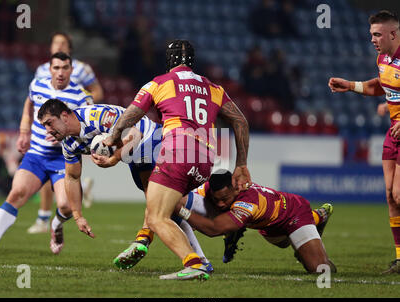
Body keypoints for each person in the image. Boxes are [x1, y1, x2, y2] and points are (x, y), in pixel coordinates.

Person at [104, 39, 251, 280]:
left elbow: (133, 112)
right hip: (205, 160)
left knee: (156, 215)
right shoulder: (214, 88)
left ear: (168, 61)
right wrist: (241, 163)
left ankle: (195, 263)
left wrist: (114, 135)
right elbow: (240, 121)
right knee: (170, 207)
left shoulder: (159, 83)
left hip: (178, 153)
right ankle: (216, 235)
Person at [37, 99, 214, 272]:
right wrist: (77, 216)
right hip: (134, 157)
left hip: (152, 140)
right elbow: (72, 177)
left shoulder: (96, 116)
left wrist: (113, 159)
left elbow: (135, 134)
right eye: (44, 125)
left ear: (65, 116)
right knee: (170, 208)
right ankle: (201, 257)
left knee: (163, 203)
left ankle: (146, 238)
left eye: (50, 123)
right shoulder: (68, 144)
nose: (48, 130)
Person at [0, 52, 93, 256]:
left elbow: (87, 129)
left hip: (63, 158)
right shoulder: (37, 85)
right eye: (56, 68)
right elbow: (29, 104)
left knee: (66, 205)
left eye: (65, 68)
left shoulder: (82, 97)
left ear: (72, 70)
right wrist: (23, 130)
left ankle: (56, 225)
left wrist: (64, 136)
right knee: (16, 192)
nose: (61, 72)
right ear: (50, 69)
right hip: (36, 154)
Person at [328, 10, 400, 274]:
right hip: (393, 132)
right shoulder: (383, 58)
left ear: (393, 33)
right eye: (371, 34)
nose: (373, 39)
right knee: (391, 197)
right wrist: (350, 85)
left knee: (399, 194)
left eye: (377, 34)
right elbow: (381, 85)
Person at [175, 170, 336, 274]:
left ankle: (317, 217)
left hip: (294, 213)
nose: (221, 204)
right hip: (268, 226)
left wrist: (180, 210)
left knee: (319, 269)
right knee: (283, 243)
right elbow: (190, 202)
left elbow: (215, 229)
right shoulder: (213, 188)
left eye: (224, 199)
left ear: (236, 189)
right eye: (217, 200)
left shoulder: (249, 202)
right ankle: (307, 238)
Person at [27, 31, 103, 234]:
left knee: (67, 171)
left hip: (69, 126)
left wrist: (76, 109)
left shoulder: (82, 69)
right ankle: (44, 217)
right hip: (50, 128)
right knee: (48, 168)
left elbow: (97, 92)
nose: (58, 46)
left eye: (62, 43)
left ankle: (48, 217)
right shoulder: (42, 70)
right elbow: (36, 100)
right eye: (55, 43)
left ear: (69, 48)